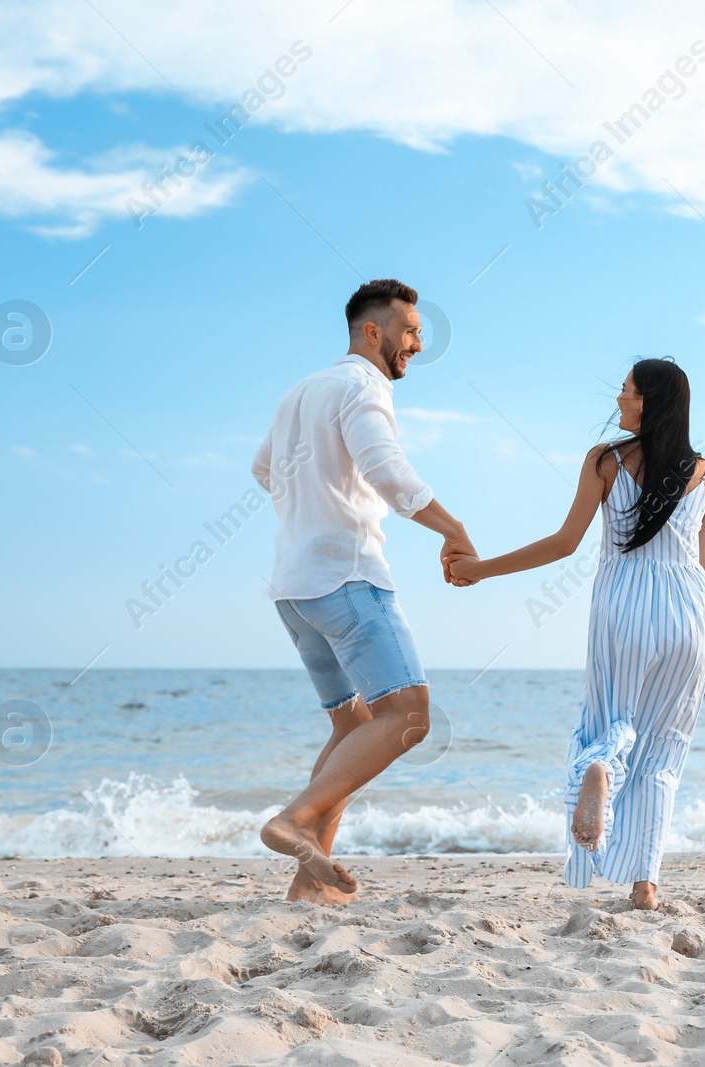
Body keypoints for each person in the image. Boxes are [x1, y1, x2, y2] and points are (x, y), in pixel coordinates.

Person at [447, 358, 705, 910]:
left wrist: (479, 569)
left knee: (610, 723)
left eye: (624, 392)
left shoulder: (605, 461)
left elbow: (563, 543)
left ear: (647, 401)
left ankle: (598, 766)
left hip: (624, 608)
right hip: (689, 616)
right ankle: (644, 885)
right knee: (664, 748)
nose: (618, 402)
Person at [251, 278, 475, 904]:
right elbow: (385, 470)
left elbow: (263, 468)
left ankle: (309, 878)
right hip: (347, 580)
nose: (417, 345)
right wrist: (453, 528)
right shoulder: (362, 386)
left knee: (352, 727)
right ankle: (293, 822)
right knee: (409, 718)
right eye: (410, 332)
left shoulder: (303, 389)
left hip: (294, 590)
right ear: (372, 332)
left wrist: (309, 514)